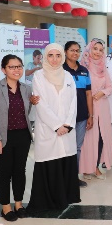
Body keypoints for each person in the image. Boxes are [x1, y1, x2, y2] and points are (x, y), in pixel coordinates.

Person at [27, 43, 81, 213]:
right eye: (51, 55)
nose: (55, 59)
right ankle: (50, 200)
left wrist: (67, 124)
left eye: (58, 55)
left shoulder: (68, 76)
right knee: (50, 162)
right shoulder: (39, 77)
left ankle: (67, 196)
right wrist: (57, 126)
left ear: (62, 57)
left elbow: (73, 102)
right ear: (45, 57)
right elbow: (40, 104)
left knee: (66, 159)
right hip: (48, 129)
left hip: (67, 129)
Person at [0, 55, 32, 221]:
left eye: (19, 66)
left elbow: (26, 111)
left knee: (20, 172)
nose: (16, 70)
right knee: (4, 173)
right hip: (1, 138)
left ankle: (19, 204)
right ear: (4, 70)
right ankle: (5, 208)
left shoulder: (26, 88)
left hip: (22, 136)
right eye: (12, 67)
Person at [79, 38, 112, 180]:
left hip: (103, 107)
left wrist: (102, 93)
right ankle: (86, 169)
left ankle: (95, 167)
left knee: (101, 137)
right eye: (95, 49)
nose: (98, 52)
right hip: (88, 107)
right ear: (89, 50)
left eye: (101, 50)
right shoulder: (83, 67)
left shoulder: (103, 68)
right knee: (87, 139)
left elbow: (110, 87)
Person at [62, 41, 93, 188]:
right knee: (64, 148)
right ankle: (63, 178)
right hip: (64, 118)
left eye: (77, 51)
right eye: (72, 50)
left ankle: (74, 177)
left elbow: (88, 94)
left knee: (77, 147)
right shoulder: (61, 70)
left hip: (81, 116)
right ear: (65, 52)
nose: (75, 53)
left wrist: (90, 115)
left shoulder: (84, 71)